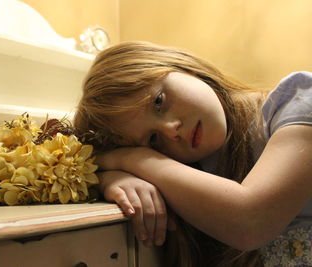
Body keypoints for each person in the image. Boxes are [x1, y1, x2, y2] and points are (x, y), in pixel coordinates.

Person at [73, 41, 312, 267]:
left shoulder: (298, 101)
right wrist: (109, 178)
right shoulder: (189, 171)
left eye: (158, 102)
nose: (170, 130)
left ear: (181, 66)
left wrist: (131, 158)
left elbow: (252, 221)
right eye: (152, 140)